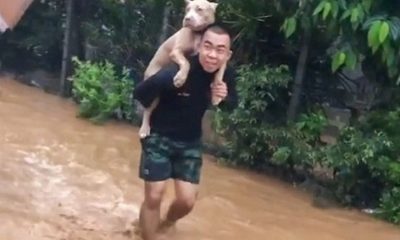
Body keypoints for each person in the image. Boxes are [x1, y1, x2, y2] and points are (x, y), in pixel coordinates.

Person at [133, 23, 238, 240]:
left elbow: (230, 104)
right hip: (158, 136)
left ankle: (165, 224)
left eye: (220, 50)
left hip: (190, 142)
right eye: (208, 47)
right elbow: (140, 93)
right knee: (154, 196)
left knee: (187, 201)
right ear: (199, 47)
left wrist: (223, 96)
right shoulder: (176, 72)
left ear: (227, 55)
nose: (212, 55)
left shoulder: (224, 76)